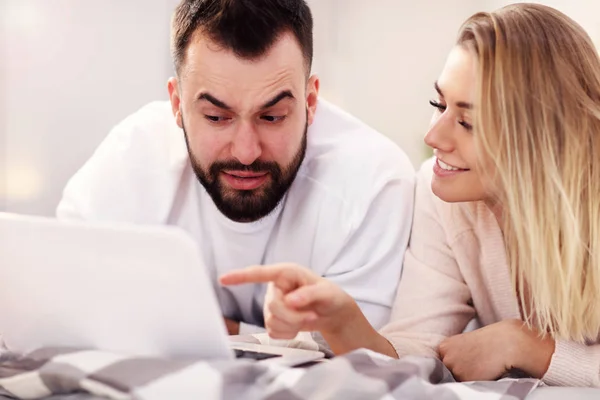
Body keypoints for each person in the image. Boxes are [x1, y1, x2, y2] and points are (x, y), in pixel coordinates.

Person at [221, 3, 600, 387]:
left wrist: (530, 348)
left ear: (542, 139)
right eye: (439, 105)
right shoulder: (443, 199)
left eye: (467, 122)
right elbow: (418, 349)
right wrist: (342, 321)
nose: (433, 136)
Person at [56, 0, 415, 336]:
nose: (246, 152)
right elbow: (65, 293)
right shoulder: (133, 156)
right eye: (216, 117)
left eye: (272, 116)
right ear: (177, 104)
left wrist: (174, 318)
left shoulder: (373, 182)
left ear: (310, 102)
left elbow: (356, 356)